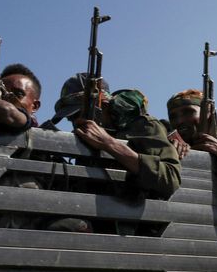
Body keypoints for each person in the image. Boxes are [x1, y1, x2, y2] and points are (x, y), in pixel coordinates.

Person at [53, 74, 181, 200]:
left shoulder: (143, 125)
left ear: (104, 104)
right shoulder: (85, 137)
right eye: (71, 119)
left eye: (78, 114)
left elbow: (170, 178)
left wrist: (109, 144)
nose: (76, 123)